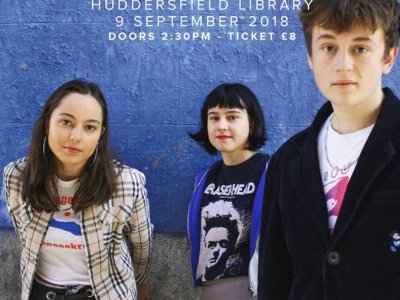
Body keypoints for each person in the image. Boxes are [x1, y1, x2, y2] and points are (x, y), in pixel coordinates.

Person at [258, 0, 400, 299]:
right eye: (329, 47)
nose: (343, 64)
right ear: (311, 55)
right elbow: (275, 274)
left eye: (360, 48)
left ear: (388, 56)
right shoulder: (288, 161)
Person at [2, 79, 152, 300]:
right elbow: (25, 241)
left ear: (100, 133)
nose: (75, 137)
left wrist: (142, 287)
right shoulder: (17, 177)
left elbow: (142, 245)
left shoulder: (126, 183)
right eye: (66, 122)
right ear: (47, 125)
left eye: (89, 127)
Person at [187, 83, 269, 299]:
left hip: (254, 290)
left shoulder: (271, 171)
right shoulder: (204, 177)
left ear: (251, 124)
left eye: (232, 117)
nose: (221, 125)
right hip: (211, 290)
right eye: (214, 117)